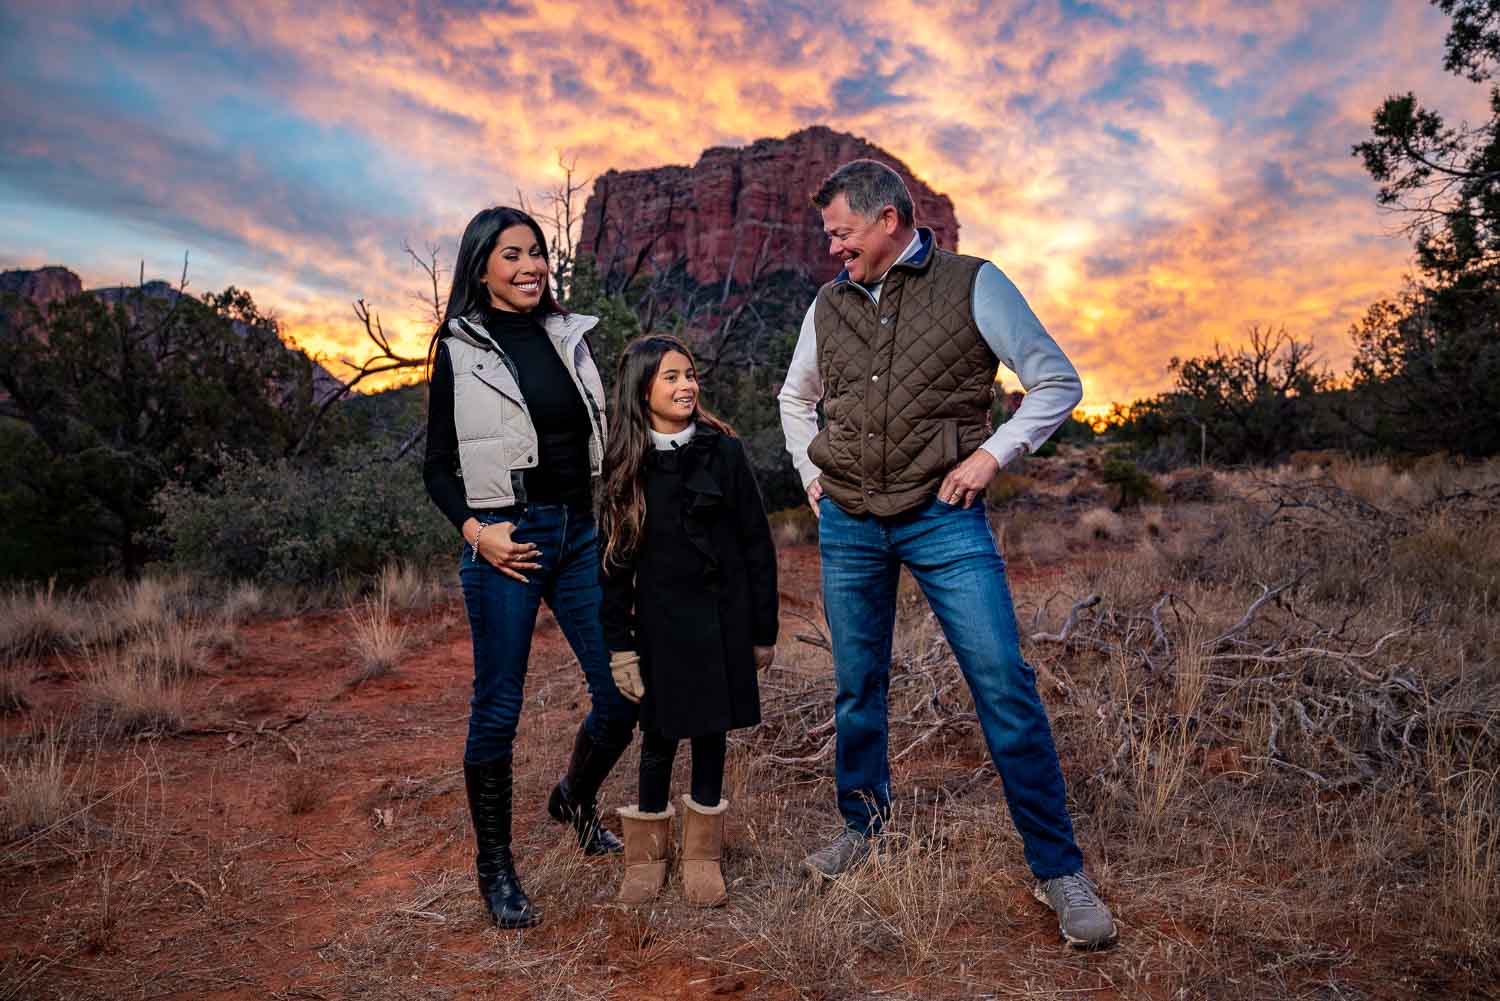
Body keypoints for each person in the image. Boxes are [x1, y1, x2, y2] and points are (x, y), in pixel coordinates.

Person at [777, 160, 1116, 948]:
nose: (833, 248)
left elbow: (1055, 382)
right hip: (850, 522)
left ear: (889, 219)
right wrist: (810, 474)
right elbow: (796, 397)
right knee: (858, 685)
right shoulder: (825, 305)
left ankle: (1058, 868)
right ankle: (863, 827)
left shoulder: (975, 282)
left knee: (1002, 679)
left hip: (943, 515)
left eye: (842, 231)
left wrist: (992, 456)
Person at [423, 206, 638, 929]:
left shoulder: (567, 336)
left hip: (580, 534)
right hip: (507, 541)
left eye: (538, 252)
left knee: (622, 689)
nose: (530, 266)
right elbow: (436, 468)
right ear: (480, 265)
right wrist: (477, 531)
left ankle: (573, 798)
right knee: (498, 709)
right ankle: (497, 868)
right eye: (512, 254)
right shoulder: (457, 346)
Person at [598, 335, 779, 907]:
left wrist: (762, 630)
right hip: (659, 625)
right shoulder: (625, 464)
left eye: (690, 374)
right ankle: (645, 859)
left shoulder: (723, 452)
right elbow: (614, 567)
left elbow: (757, 543)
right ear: (641, 390)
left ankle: (703, 856)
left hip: (723, 621)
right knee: (658, 735)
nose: (686, 386)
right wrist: (619, 647)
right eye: (671, 377)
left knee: (711, 734)